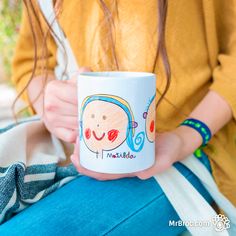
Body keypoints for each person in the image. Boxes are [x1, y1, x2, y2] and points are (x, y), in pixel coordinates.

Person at [0, 0, 235, 235]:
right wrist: (51, 107)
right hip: (76, 148)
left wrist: (186, 137)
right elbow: (33, 61)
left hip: (195, 147)